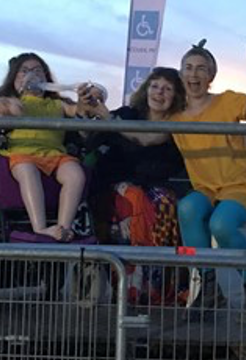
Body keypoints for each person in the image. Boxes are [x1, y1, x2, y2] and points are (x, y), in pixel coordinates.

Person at [171, 39, 246, 322]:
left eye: (201, 69)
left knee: (221, 224)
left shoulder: (228, 101)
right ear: (180, 72)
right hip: (206, 188)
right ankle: (209, 290)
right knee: (187, 209)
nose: (194, 74)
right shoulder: (174, 114)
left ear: (211, 77)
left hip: (241, 183)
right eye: (188, 68)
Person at [80, 67, 190, 305]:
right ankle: (129, 286)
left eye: (167, 88)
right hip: (115, 183)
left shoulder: (176, 124)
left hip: (154, 183)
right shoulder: (128, 113)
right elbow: (90, 138)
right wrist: (91, 107)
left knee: (166, 203)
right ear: (146, 88)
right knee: (133, 197)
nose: (159, 92)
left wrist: (110, 121)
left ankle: (160, 287)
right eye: (155, 86)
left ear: (176, 96)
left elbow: (145, 139)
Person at [0, 53, 89, 242]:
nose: (32, 75)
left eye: (38, 70)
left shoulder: (58, 104)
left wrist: (85, 101)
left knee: (76, 175)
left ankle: (64, 228)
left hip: (55, 154)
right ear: (14, 78)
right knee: (28, 172)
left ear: (47, 78)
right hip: (22, 154)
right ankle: (41, 228)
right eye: (25, 71)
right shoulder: (13, 103)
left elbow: (77, 111)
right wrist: (5, 103)